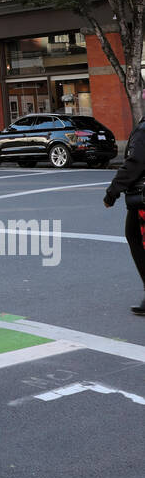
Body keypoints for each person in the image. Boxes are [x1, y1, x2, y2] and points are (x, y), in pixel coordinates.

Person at [103, 95, 145, 314]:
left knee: (136, 240)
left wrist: (112, 192)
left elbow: (134, 163)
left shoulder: (143, 131)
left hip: (142, 202)